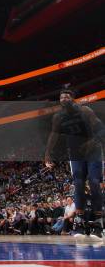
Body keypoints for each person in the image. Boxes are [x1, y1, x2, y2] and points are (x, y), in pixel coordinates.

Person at [45, 88, 104, 239]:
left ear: (73, 99)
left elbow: (101, 128)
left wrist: (93, 141)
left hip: (93, 151)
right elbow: (53, 135)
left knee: (94, 182)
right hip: (76, 154)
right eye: (61, 97)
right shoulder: (58, 117)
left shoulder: (85, 110)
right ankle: (80, 223)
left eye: (66, 97)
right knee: (78, 183)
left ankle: (98, 223)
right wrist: (47, 153)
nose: (63, 99)